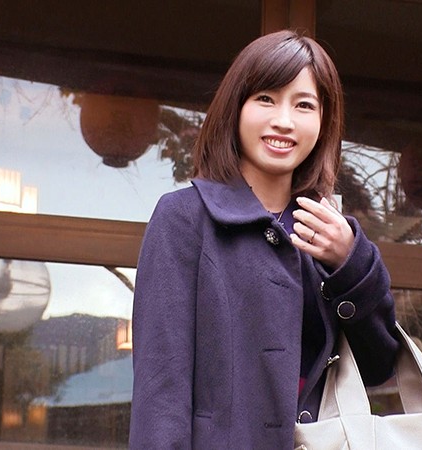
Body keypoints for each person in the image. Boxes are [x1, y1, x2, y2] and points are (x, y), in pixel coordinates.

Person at [129, 29, 399, 449]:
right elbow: (161, 387)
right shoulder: (185, 218)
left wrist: (351, 261)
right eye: (266, 99)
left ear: (324, 121)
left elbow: (380, 365)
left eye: (304, 105)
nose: (284, 121)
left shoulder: (329, 233)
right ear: (235, 108)